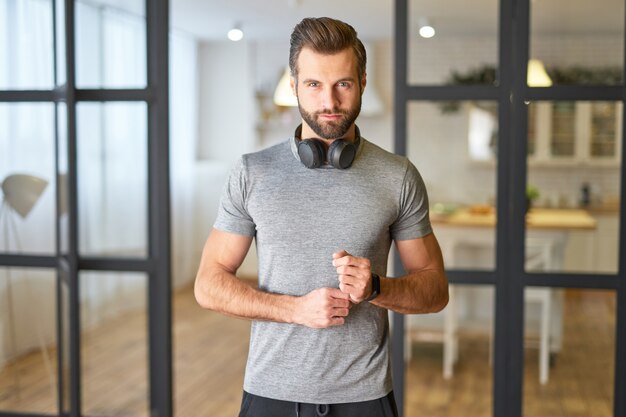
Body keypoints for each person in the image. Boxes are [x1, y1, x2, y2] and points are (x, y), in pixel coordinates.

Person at [194, 16, 448, 417]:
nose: (329, 102)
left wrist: (377, 288)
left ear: (363, 82)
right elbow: (208, 284)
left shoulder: (398, 176)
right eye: (313, 84)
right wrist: (293, 310)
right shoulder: (251, 173)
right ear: (293, 86)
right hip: (269, 392)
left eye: (342, 84)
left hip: (364, 397)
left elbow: (435, 291)